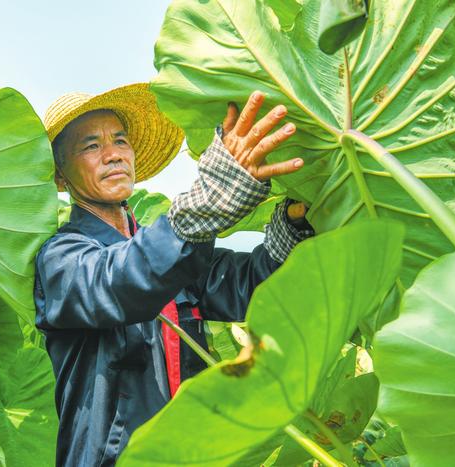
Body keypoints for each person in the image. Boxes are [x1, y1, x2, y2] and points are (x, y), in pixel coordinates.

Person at [33, 83, 314, 466]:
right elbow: (123, 281)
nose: (113, 155)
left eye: (120, 140)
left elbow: (251, 283)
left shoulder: (168, 250)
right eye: (91, 146)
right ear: (61, 176)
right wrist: (206, 202)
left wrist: (298, 220)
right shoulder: (62, 259)